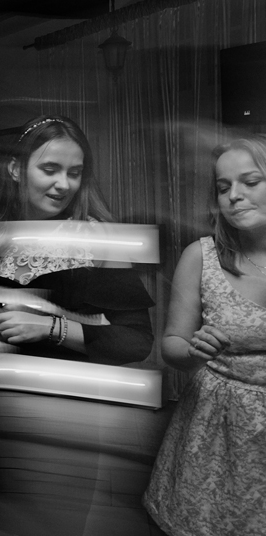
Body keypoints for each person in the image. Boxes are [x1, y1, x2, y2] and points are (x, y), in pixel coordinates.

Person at [144, 137, 266, 536]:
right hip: (216, 428)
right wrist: (194, 352)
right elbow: (172, 344)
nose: (234, 195)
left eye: (251, 181)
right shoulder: (201, 256)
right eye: (223, 187)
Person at [0, 115, 154, 366]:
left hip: (73, 385)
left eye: (74, 173)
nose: (64, 184)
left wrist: (50, 327)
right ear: (16, 170)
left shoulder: (100, 241)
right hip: (9, 384)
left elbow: (137, 341)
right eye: (50, 170)